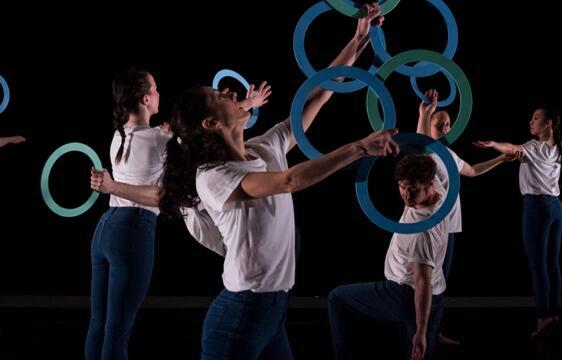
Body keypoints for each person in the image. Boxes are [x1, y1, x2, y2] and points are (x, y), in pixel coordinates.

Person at [159, 5, 396, 359]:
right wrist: (359, 147)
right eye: (219, 96)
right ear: (210, 124)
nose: (229, 91)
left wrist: (358, 39)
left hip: (272, 311)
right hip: (239, 316)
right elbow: (287, 180)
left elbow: (319, 94)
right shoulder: (212, 177)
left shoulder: (263, 147)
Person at [86, 68, 270, 359]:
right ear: (146, 99)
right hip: (132, 232)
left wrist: (246, 105)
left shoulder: (120, 135)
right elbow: (164, 191)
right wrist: (113, 186)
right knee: (117, 330)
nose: (160, 94)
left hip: (105, 230)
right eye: (156, 89)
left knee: (99, 324)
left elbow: (178, 126)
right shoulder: (158, 141)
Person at [474, 108, 562, 337]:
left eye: (535, 118)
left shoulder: (533, 147)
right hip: (557, 209)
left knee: (539, 268)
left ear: (548, 123)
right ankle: (554, 314)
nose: (530, 121)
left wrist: (493, 145)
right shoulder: (561, 149)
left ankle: (542, 318)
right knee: (553, 264)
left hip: (536, 209)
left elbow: (511, 148)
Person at [417, 89, 521, 345]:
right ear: (430, 125)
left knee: (441, 284)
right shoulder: (425, 152)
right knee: (424, 282)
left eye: (448, 123)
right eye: (439, 123)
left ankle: (434, 332)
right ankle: (420, 332)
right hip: (430, 229)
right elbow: (420, 141)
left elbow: (473, 171)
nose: (444, 126)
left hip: (450, 228)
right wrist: (424, 111)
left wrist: (500, 159)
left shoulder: (449, 155)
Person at [328, 154, 447, 360]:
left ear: (428, 185)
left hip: (405, 295)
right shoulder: (440, 193)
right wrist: (424, 119)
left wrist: (421, 330)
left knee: (337, 299)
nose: (406, 195)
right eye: (402, 186)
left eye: (412, 189)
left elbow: (422, 282)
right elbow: (422, 147)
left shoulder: (422, 231)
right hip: (434, 295)